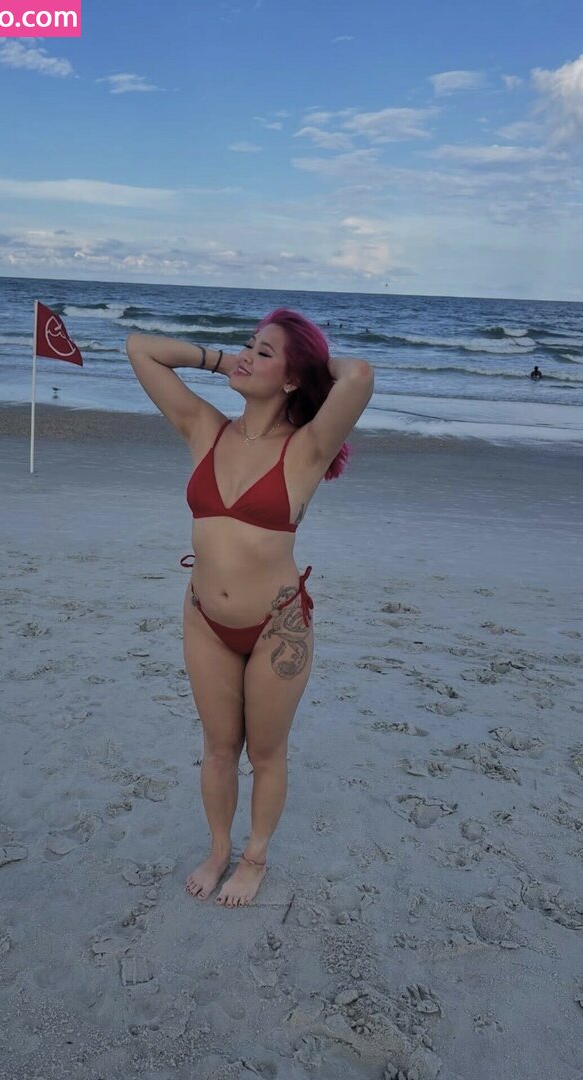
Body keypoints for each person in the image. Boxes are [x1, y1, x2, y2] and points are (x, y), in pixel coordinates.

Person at [126, 309, 374, 908]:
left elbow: (360, 376)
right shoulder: (204, 429)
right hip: (204, 620)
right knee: (217, 748)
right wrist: (225, 361)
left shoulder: (308, 448)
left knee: (264, 754)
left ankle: (254, 858)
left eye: (264, 353)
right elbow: (140, 348)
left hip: (276, 627)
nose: (246, 355)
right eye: (247, 345)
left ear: (291, 378)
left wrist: (313, 366)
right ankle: (219, 850)